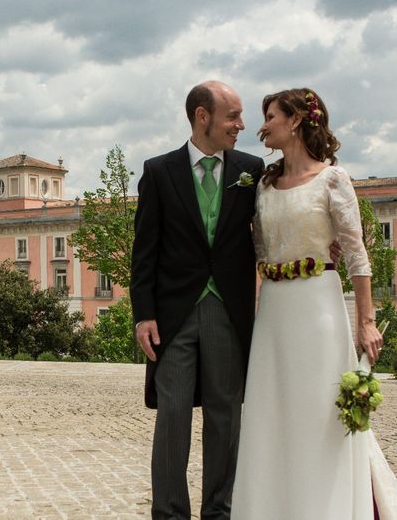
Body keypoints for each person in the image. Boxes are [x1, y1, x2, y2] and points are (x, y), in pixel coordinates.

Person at [230, 88, 397, 519]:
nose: (262, 125)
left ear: (295, 120)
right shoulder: (262, 184)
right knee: (272, 414)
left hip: (318, 308)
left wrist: (366, 322)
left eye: (270, 115)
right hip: (274, 312)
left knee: (319, 415)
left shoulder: (333, 179)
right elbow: (259, 250)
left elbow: (356, 254)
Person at [130, 81, 265, 519]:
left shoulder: (252, 169)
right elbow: (144, 251)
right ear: (202, 116)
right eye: (233, 116)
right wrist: (144, 314)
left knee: (225, 417)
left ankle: (219, 513)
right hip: (173, 315)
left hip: (229, 310)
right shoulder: (159, 171)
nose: (241, 125)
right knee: (172, 416)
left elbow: (273, 226)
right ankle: (169, 514)